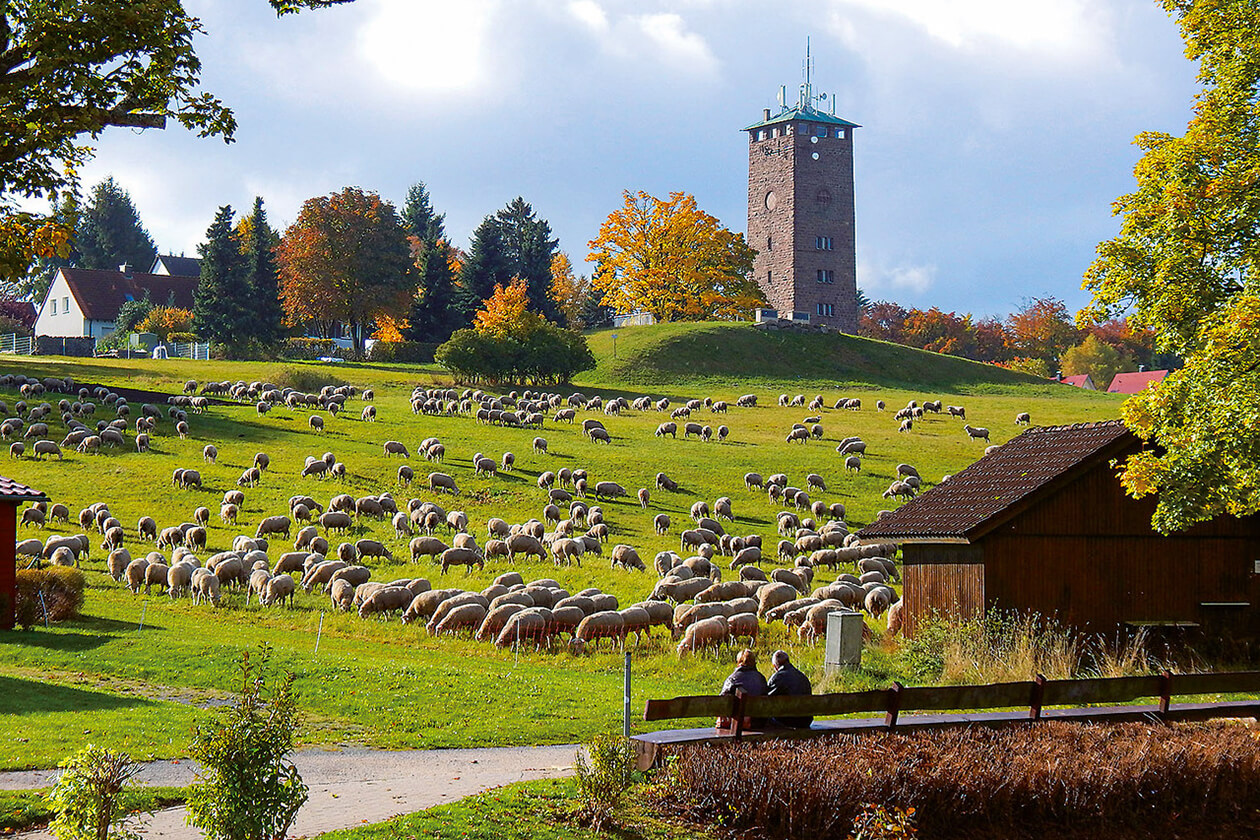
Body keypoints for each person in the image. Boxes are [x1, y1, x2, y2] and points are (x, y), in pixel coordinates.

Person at [716, 649, 767, 731]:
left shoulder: (732, 679)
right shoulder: (761, 679)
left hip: (736, 724)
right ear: (754, 662)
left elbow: (721, 704)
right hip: (757, 723)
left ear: (738, 662)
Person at [766, 649, 813, 728]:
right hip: (805, 720)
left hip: (787, 721)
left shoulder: (777, 678)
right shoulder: (802, 676)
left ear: (775, 666)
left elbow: (767, 700)